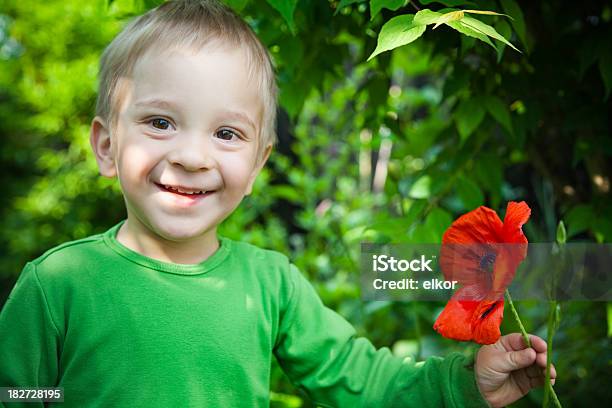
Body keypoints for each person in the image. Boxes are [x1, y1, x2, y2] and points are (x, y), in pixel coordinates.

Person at [0, 1, 556, 407]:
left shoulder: (270, 283)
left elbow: (359, 379)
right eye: (161, 122)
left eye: (226, 134)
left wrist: (464, 382)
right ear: (105, 145)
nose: (193, 156)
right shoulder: (59, 284)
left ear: (258, 166)